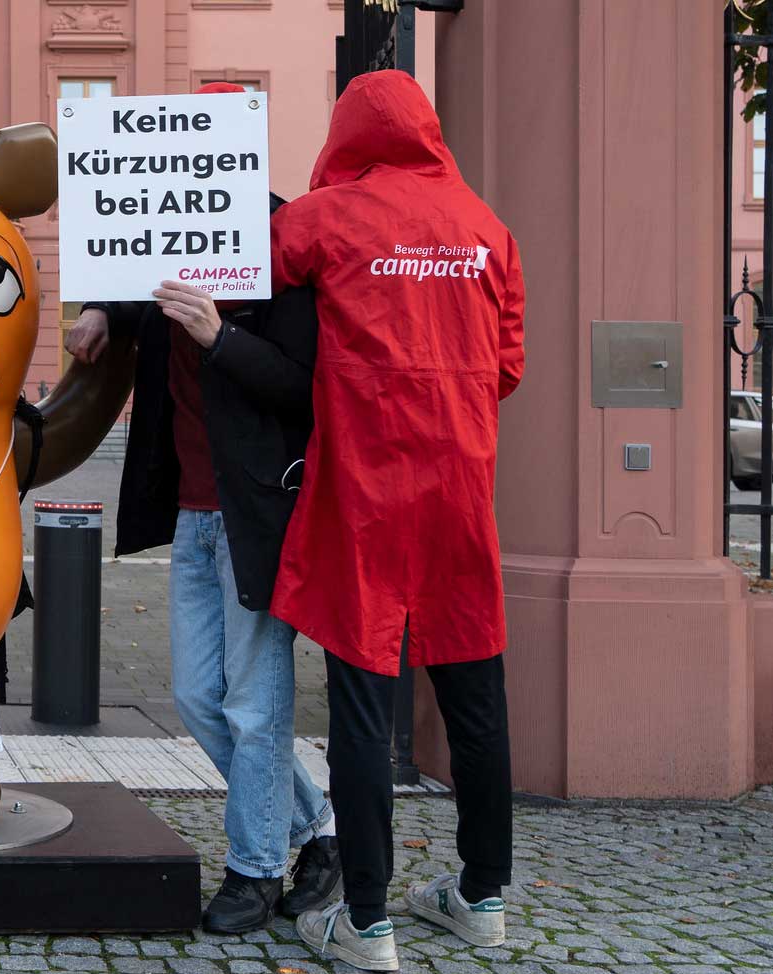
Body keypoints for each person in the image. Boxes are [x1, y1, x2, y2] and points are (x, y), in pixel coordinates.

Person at [64, 82, 339, 937]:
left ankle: (255, 873)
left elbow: (305, 388)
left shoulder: (283, 241)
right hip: (190, 511)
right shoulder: (156, 235)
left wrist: (222, 337)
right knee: (195, 698)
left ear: (238, 151)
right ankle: (318, 830)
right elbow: (128, 290)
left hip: (257, 511)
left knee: (255, 703)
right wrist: (102, 308)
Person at [267, 71, 525, 973]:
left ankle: (366, 921)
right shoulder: (487, 227)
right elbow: (507, 364)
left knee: (363, 707)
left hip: (367, 490)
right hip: (459, 484)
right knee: (474, 693)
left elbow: (241, 260)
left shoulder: (328, 216)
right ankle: (483, 896)